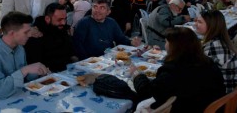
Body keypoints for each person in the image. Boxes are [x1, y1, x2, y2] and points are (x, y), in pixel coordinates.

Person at [77, 27, 225, 112]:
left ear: (176, 47)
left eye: (166, 42)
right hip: (207, 105)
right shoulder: (205, 62)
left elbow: (146, 92)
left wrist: (135, 72)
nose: (164, 45)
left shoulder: (175, 70)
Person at [0, 11, 49, 100]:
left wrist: (36, 72)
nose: (30, 35)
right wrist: (25, 70)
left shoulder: (19, 49)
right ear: (12, 33)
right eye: (26, 32)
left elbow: (23, 78)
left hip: (16, 95)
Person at [73, 0, 141, 60]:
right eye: (95, 7)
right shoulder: (84, 23)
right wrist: (88, 61)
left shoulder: (111, 22)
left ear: (108, 12)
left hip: (109, 58)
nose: (97, 10)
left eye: (102, 8)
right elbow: (77, 45)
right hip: (92, 61)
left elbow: (120, 39)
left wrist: (131, 42)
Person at [195, 10, 237, 93]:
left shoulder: (214, 47)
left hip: (222, 96)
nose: (195, 24)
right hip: (225, 89)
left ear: (211, 25)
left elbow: (202, 76)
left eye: (199, 22)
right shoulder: (220, 41)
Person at [24, 3, 78, 72]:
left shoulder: (63, 29)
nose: (63, 23)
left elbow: (70, 51)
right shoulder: (36, 35)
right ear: (47, 19)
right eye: (59, 20)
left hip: (68, 71)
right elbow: (36, 65)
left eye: (65, 19)